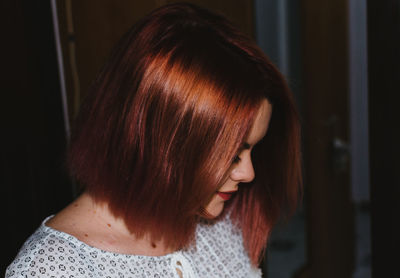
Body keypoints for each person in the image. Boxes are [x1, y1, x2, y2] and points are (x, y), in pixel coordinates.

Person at [6, 3, 302, 278]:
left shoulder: (221, 222)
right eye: (233, 152)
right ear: (161, 141)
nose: (248, 173)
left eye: (252, 149)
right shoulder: (52, 270)